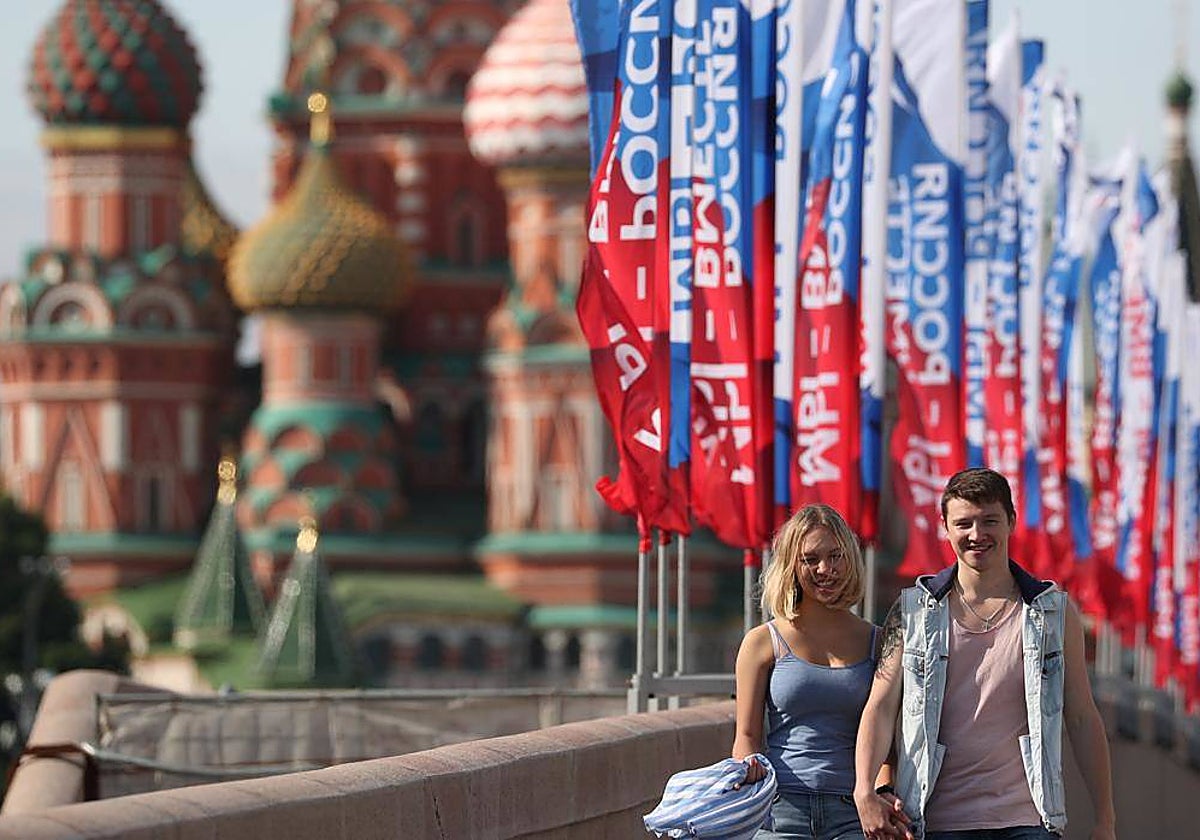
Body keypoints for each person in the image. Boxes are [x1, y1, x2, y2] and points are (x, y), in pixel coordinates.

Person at [853, 468, 1117, 840]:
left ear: (1010, 521)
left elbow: (1082, 717)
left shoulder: (1054, 612)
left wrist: (1105, 820)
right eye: (963, 524)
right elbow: (879, 706)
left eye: (989, 521)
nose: (977, 535)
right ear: (944, 527)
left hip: (1029, 821)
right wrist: (864, 789)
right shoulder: (911, 610)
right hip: (936, 821)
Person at [732, 503, 911, 840]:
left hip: (856, 813)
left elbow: (888, 738)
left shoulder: (878, 643)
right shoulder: (761, 642)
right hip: (779, 809)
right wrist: (748, 778)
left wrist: (882, 792)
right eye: (810, 559)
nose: (825, 569)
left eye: (835, 556)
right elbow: (746, 736)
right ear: (790, 566)